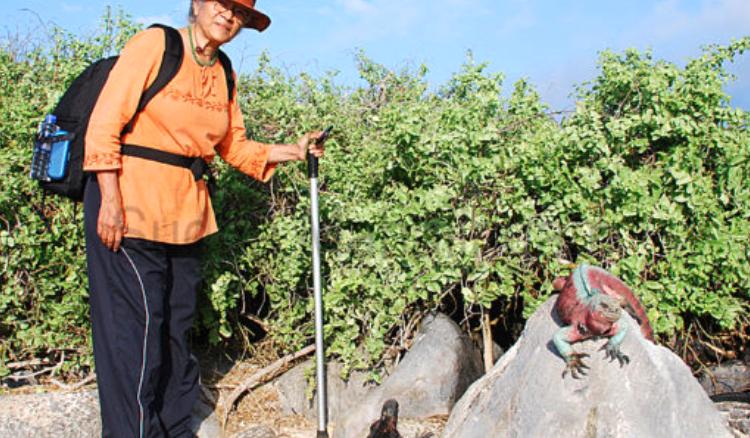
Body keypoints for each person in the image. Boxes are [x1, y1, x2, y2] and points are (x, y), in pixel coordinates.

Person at [82, 1, 325, 436]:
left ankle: (177, 431)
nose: (229, 16)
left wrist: (294, 151)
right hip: (128, 210)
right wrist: (110, 200)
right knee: (134, 343)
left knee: (174, 334)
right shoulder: (156, 45)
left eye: (240, 13)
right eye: (221, 4)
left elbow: (234, 147)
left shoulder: (224, 71)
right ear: (197, 3)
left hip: (186, 218)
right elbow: (103, 124)